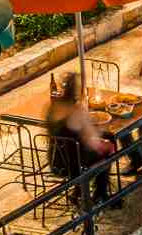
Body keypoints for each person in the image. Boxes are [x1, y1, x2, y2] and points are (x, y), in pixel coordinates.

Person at [46, 72, 119, 209]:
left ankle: (78, 191)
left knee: (99, 145)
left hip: (56, 162)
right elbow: (93, 141)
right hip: (75, 164)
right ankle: (100, 194)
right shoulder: (76, 111)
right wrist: (106, 143)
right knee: (108, 147)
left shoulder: (52, 108)